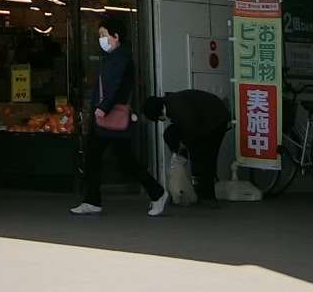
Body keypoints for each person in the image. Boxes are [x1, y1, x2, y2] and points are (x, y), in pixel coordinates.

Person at [73, 14, 167, 217]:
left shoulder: (120, 59)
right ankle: (92, 200)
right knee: (97, 157)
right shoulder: (116, 58)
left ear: (116, 36)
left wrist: (102, 107)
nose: (101, 39)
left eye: (103, 35)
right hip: (106, 119)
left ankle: (157, 192)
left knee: (120, 159)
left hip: (109, 118)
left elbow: (115, 87)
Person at [142, 89, 232, 204]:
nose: (160, 121)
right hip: (208, 119)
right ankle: (200, 192)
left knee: (206, 158)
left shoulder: (176, 107)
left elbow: (192, 125)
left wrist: (183, 143)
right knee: (194, 151)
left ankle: (207, 196)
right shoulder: (171, 103)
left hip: (214, 122)